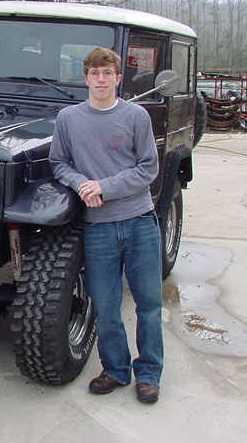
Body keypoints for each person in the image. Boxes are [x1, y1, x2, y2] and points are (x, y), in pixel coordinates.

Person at [49, 47, 163, 404]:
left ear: (117, 78)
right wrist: (81, 183)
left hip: (139, 222)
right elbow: (58, 163)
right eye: (94, 73)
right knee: (106, 305)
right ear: (86, 78)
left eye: (107, 73)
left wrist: (105, 187)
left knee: (148, 304)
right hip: (98, 228)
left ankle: (148, 374)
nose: (100, 79)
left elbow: (148, 168)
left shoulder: (136, 116)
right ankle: (115, 369)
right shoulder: (68, 118)